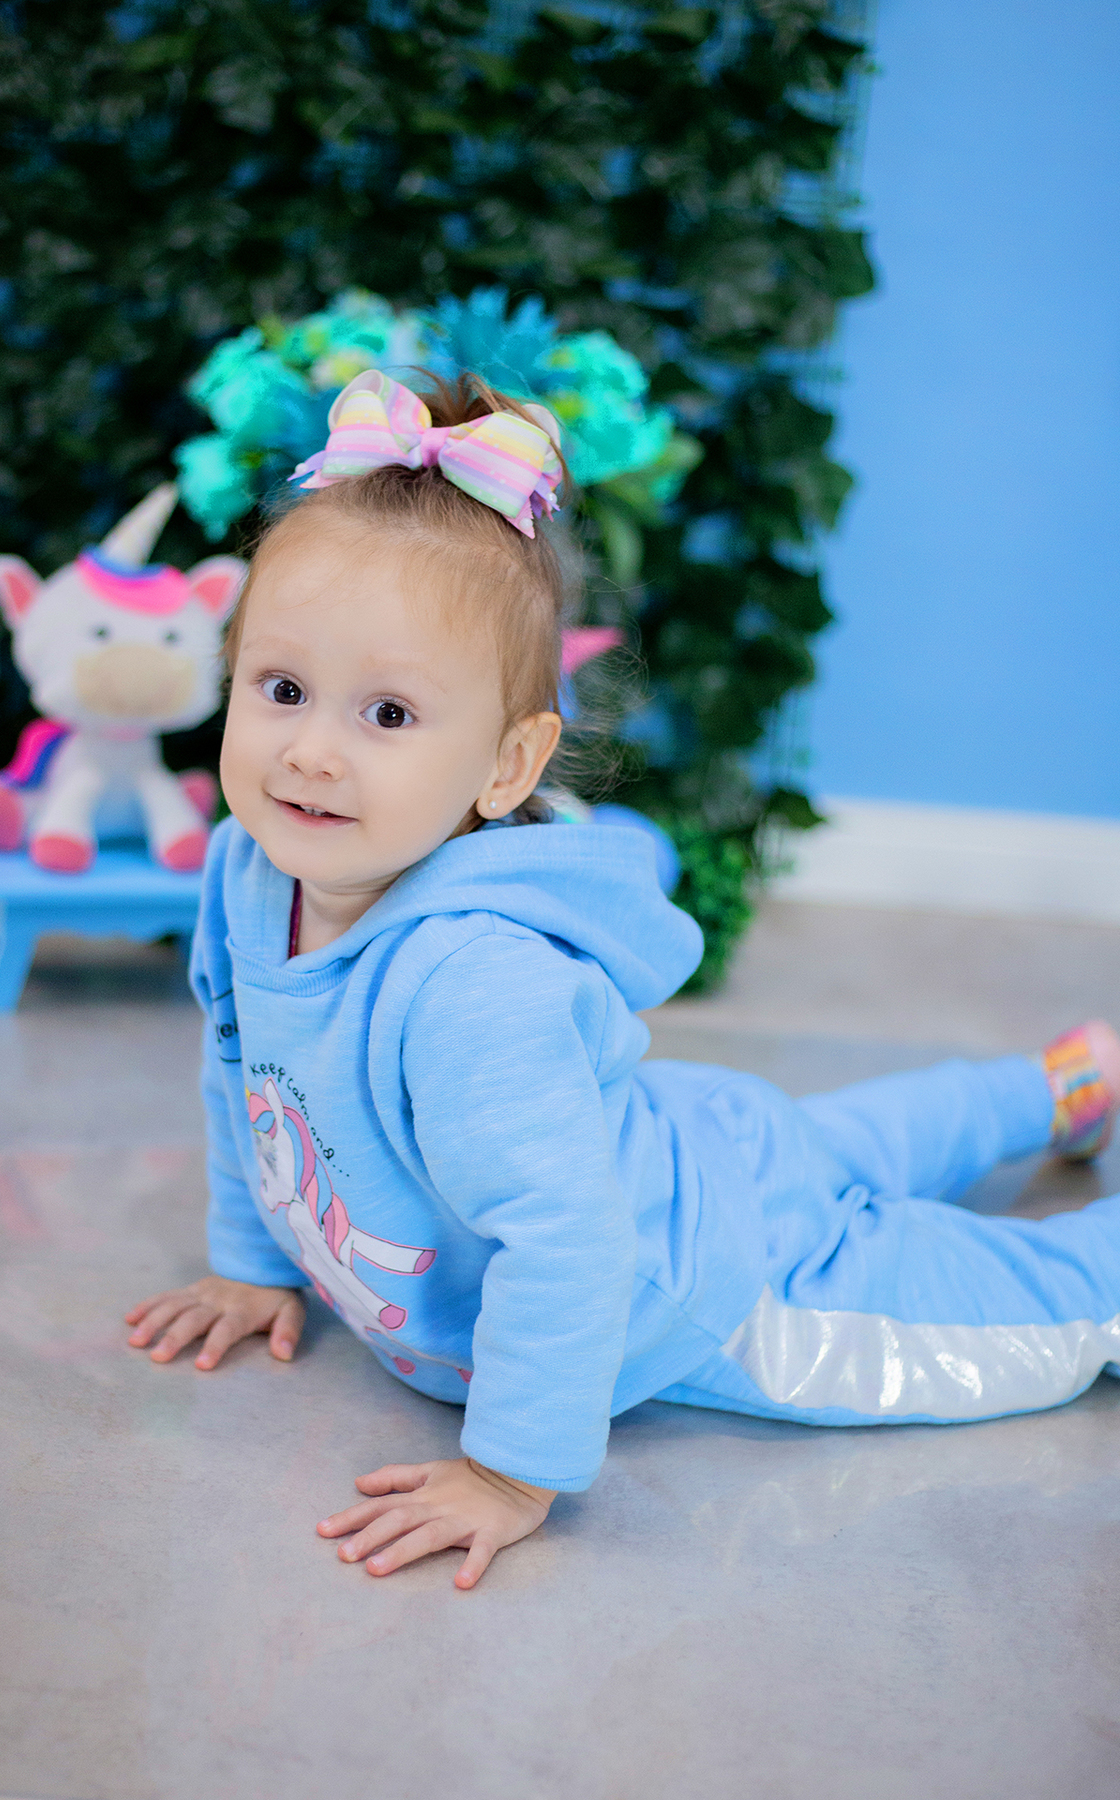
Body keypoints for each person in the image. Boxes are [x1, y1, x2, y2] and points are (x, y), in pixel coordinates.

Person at [126, 368, 1120, 1590]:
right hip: (685, 1143)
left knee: (1035, 1300)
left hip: (701, 1283)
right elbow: (245, 1075)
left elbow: (572, 1244)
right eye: (280, 689)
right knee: (835, 1145)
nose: (313, 749)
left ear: (506, 764)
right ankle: (1055, 1088)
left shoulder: (470, 989)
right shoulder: (244, 872)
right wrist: (253, 1261)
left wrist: (511, 1466)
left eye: (388, 713)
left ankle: (1076, 1169)